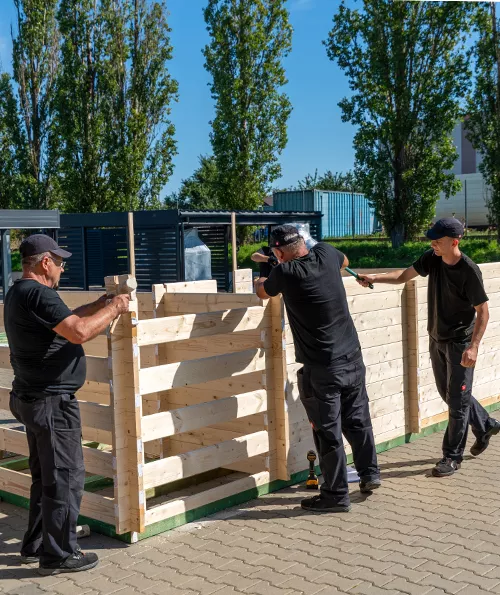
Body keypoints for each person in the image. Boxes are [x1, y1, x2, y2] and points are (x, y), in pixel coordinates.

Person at [4, 234, 130, 575]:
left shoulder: (19, 292)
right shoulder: (39, 293)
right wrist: (116, 307)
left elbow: (66, 319)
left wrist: (100, 303)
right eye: (59, 262)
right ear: (45, 263)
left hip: (30, 398)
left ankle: (35, 545)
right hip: (51, 403)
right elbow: (78, 332)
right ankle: (59, 555)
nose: (62, 267)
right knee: (66, 477)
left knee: (46, 476)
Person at [357, 218, 499, 477]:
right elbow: (403, 275)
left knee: (457, 404)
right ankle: (486, 423)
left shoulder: (468, 271)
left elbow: (484, 312)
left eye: (438, 239)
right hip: (437, 339)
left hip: (460, 344)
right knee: (449, 394)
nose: (432, 243)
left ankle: (452, 458)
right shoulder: (432, 258)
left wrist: (474, 346)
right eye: (431, 238)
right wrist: (374, 277)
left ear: (454, 242)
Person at [254, 225, 380, 513]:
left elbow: (263, 292)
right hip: (352, 357)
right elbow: (344, 260)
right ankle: (370, 474)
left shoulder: (285, 273)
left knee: (328, 432)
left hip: (322, 367)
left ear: (278, 252)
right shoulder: (326, 253)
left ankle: (335, 496)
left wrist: (264, 273)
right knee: (358, 420)